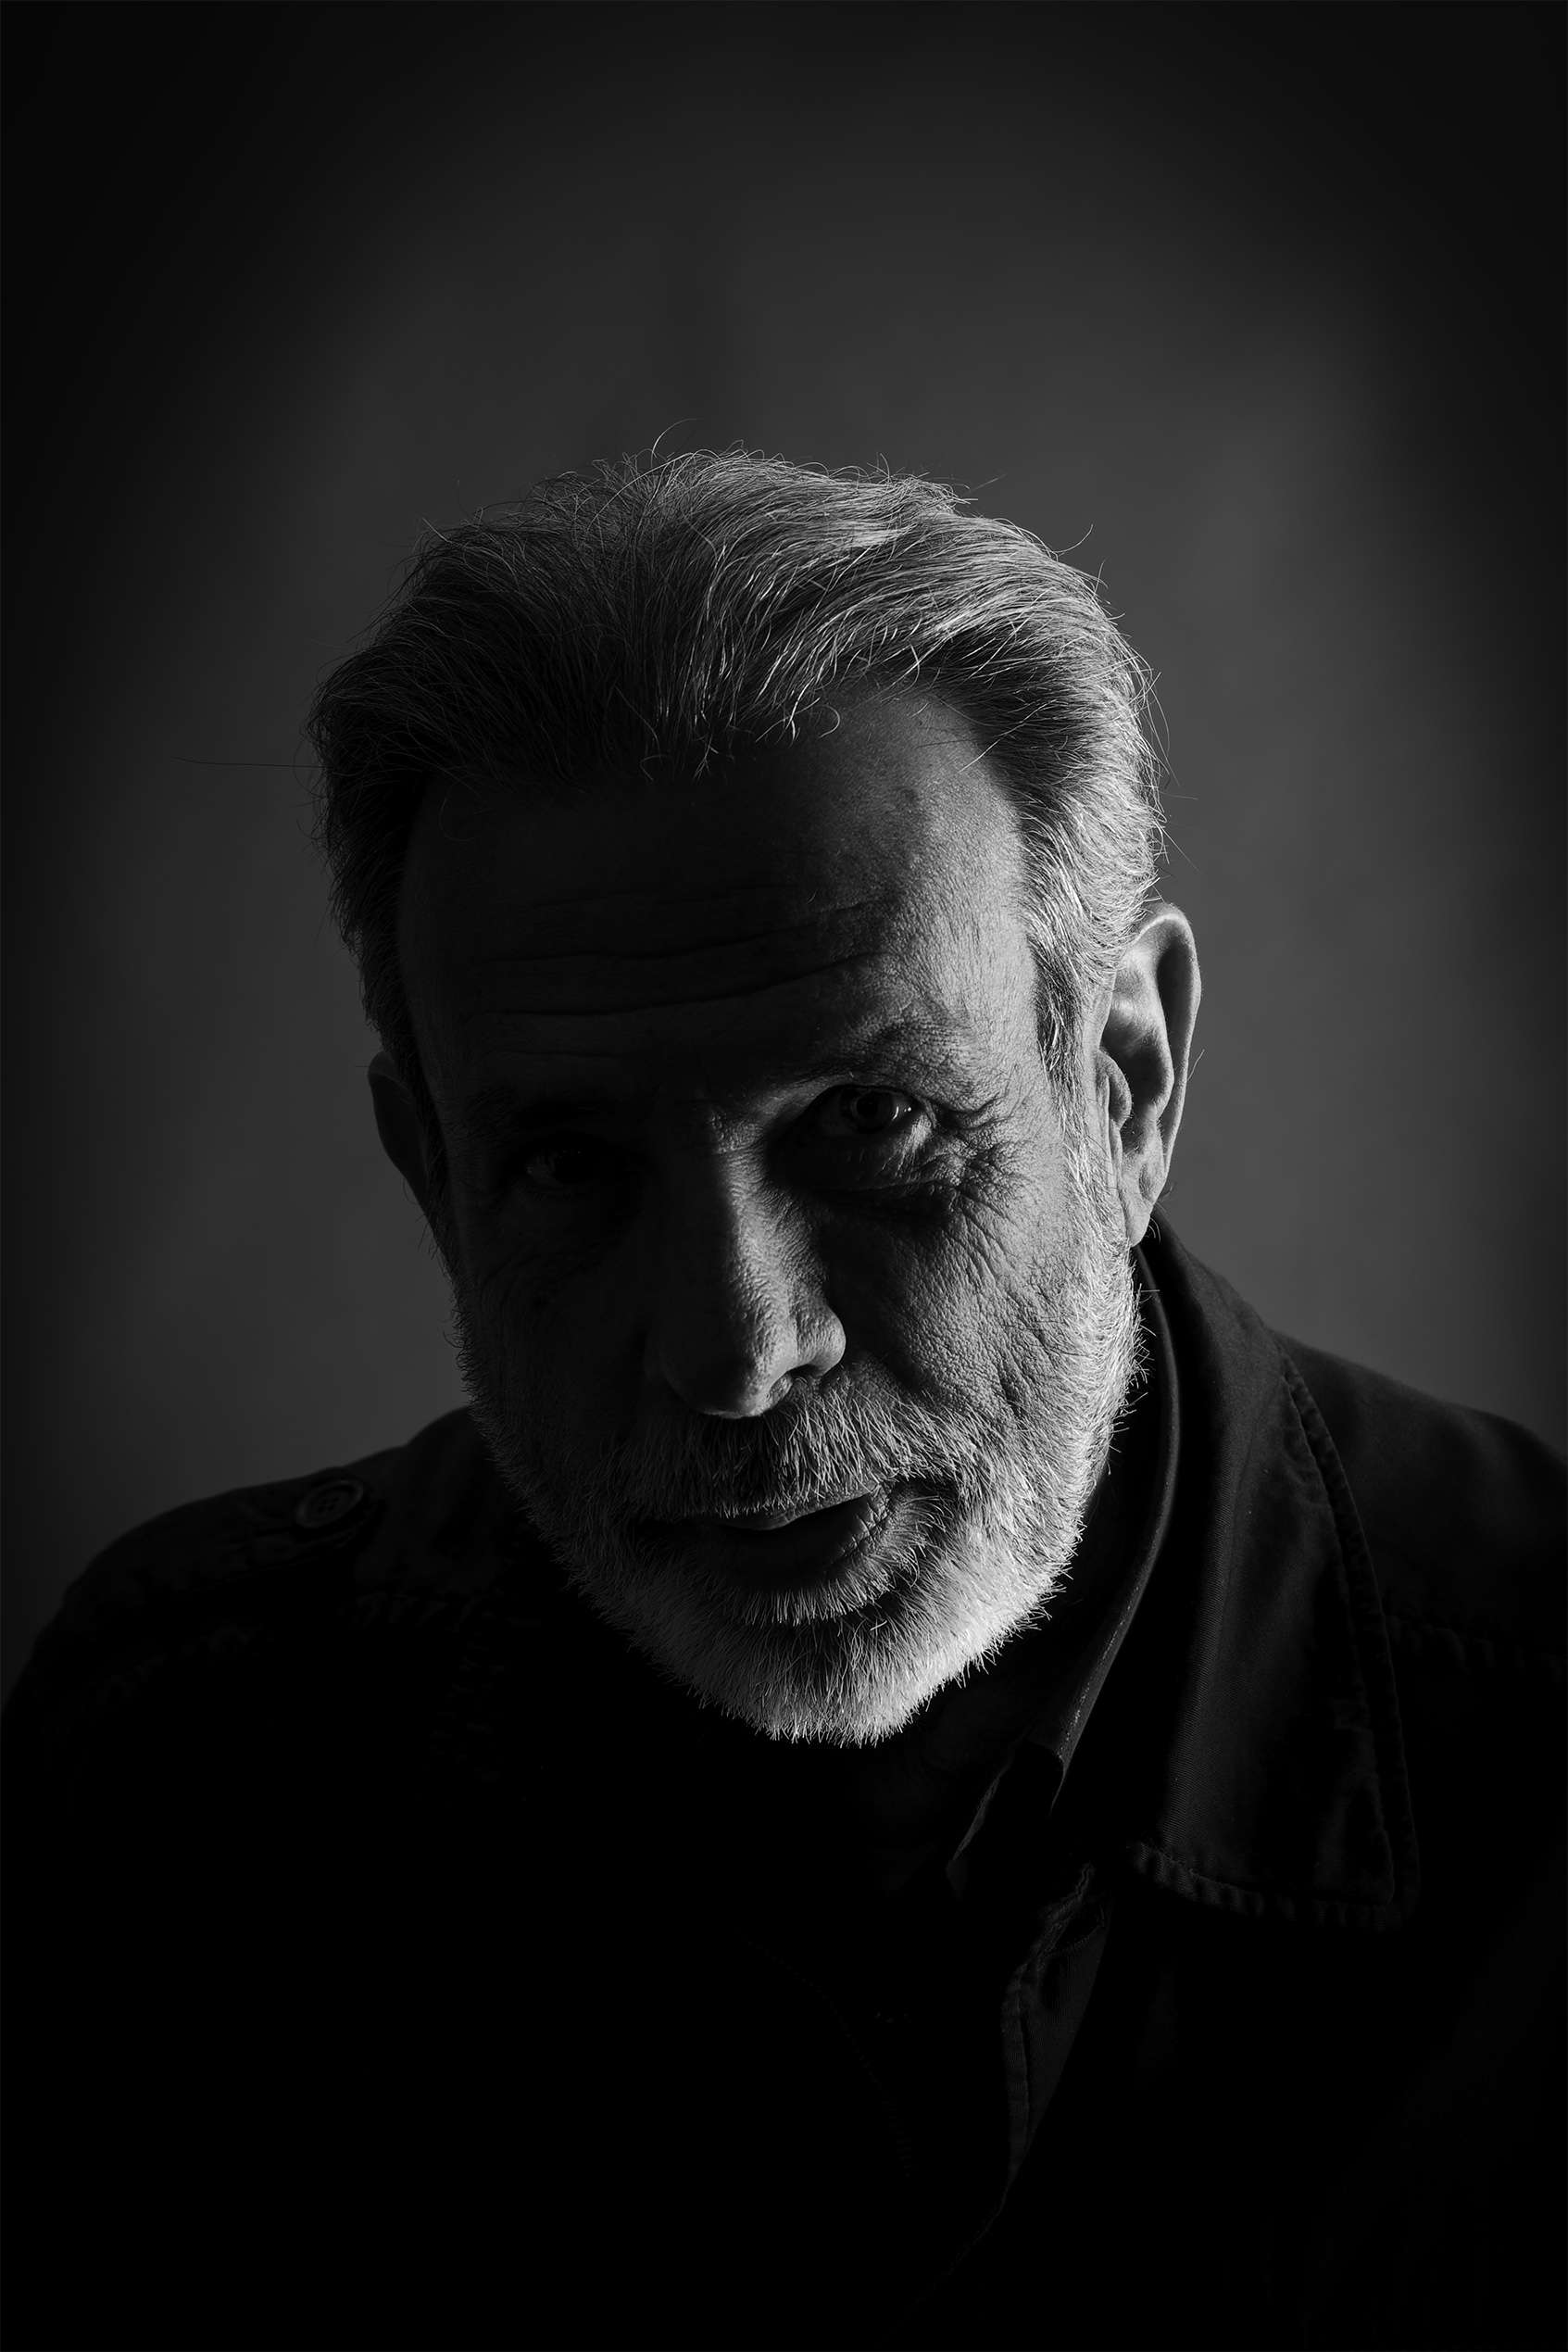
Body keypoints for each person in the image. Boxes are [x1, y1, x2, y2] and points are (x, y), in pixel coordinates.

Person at [6, 453, 1562, 2352]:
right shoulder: (183, 1778)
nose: (737, 1352)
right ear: (431, 1174)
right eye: (571, 1167)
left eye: (869, 1120)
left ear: (1126, 1084)